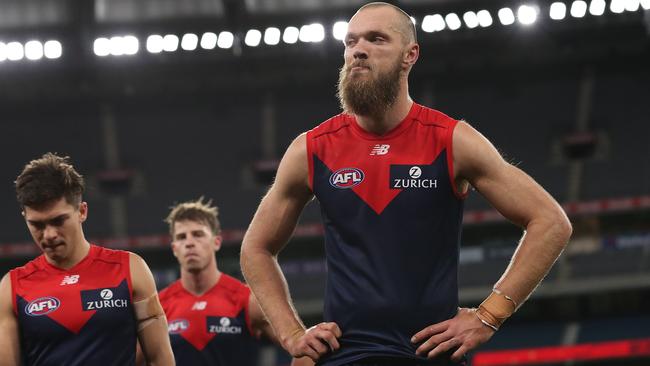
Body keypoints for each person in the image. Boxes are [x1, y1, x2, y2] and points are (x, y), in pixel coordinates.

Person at [240, 2, 573, 366]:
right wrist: (291, 334)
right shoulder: (312, 148)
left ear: (409, 55)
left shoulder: (452, 140)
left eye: (376, 39)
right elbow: (255, 247)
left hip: (430, 353)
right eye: (350, 42)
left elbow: (551, 222)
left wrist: (489, 315)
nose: (358, 50)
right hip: (346, 355)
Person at [0, 153, 174, 365]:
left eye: (58, 220)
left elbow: (159, 359)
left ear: (81, 211)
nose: (49, 234)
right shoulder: (12, 287)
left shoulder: (130, 269)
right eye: (37, 225)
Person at [156, 197, 302, 365]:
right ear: (174, 248)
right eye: (182, 237)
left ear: (216, 242)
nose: (189, 243)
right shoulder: (159, 307)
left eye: (198, 234)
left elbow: (303, 348)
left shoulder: (248, 300)